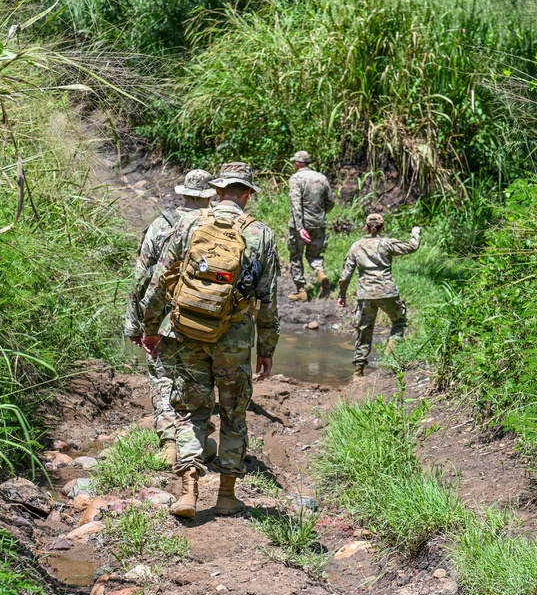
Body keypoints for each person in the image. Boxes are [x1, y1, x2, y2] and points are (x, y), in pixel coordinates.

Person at [140, 162, 280, 518]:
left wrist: (152, 325)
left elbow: (160, 279)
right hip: (234, 339)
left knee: (191, 411)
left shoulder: (189, 222)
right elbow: (267, 299)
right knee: (234, 414)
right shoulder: (261, 233)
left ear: (216, 192)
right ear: (247, 194)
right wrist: (266, 348)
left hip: (187, 331)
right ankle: (227, 496)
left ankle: (188, 492)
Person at [125, 170, 218, 466]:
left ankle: (169, 443)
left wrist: (136, 323)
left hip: (163, 312)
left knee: (164, 377)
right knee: (200, 377)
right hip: (204, 314)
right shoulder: (218, 224)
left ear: (184, 193)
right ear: (209, 195)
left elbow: (142, 275)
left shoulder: (161, 225)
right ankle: (198, 441)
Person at [337, 213, 421, 378]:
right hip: (387, 293)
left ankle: (358, 372)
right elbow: (412, 246)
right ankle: (389, 358)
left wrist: (342, 295)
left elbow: (345, 276)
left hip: (365, 296)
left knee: (364, 331)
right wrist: (415, 232)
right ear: (383, 228)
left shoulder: (356, 246)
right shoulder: (386, 243)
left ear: (365, 227)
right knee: (399, 322)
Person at [287, 150, 335, 302]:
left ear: (297, 164)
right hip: (318, 223)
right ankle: (321, 274)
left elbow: (296, 205)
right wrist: (320, 215)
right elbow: (330, 202)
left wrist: (300, 227)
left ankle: (301, 291)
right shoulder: (321, 178)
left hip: (299, 225)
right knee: (314, 254)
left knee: (296, 256)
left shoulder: (296, 178)